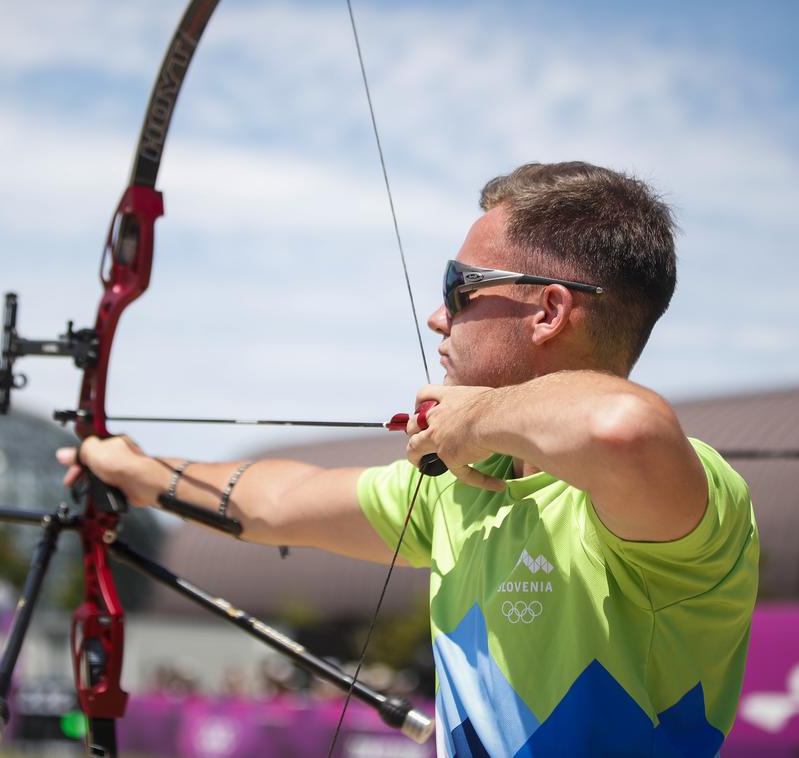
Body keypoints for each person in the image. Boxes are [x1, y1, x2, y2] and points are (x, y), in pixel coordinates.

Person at [58, 161, 759, 757]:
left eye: (460, 288)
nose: (437, 317)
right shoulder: (462, 492)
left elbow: (622, 426)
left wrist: (476, 418)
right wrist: (133, 472)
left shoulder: (683, 497)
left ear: (548, 312)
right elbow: (272, 502)